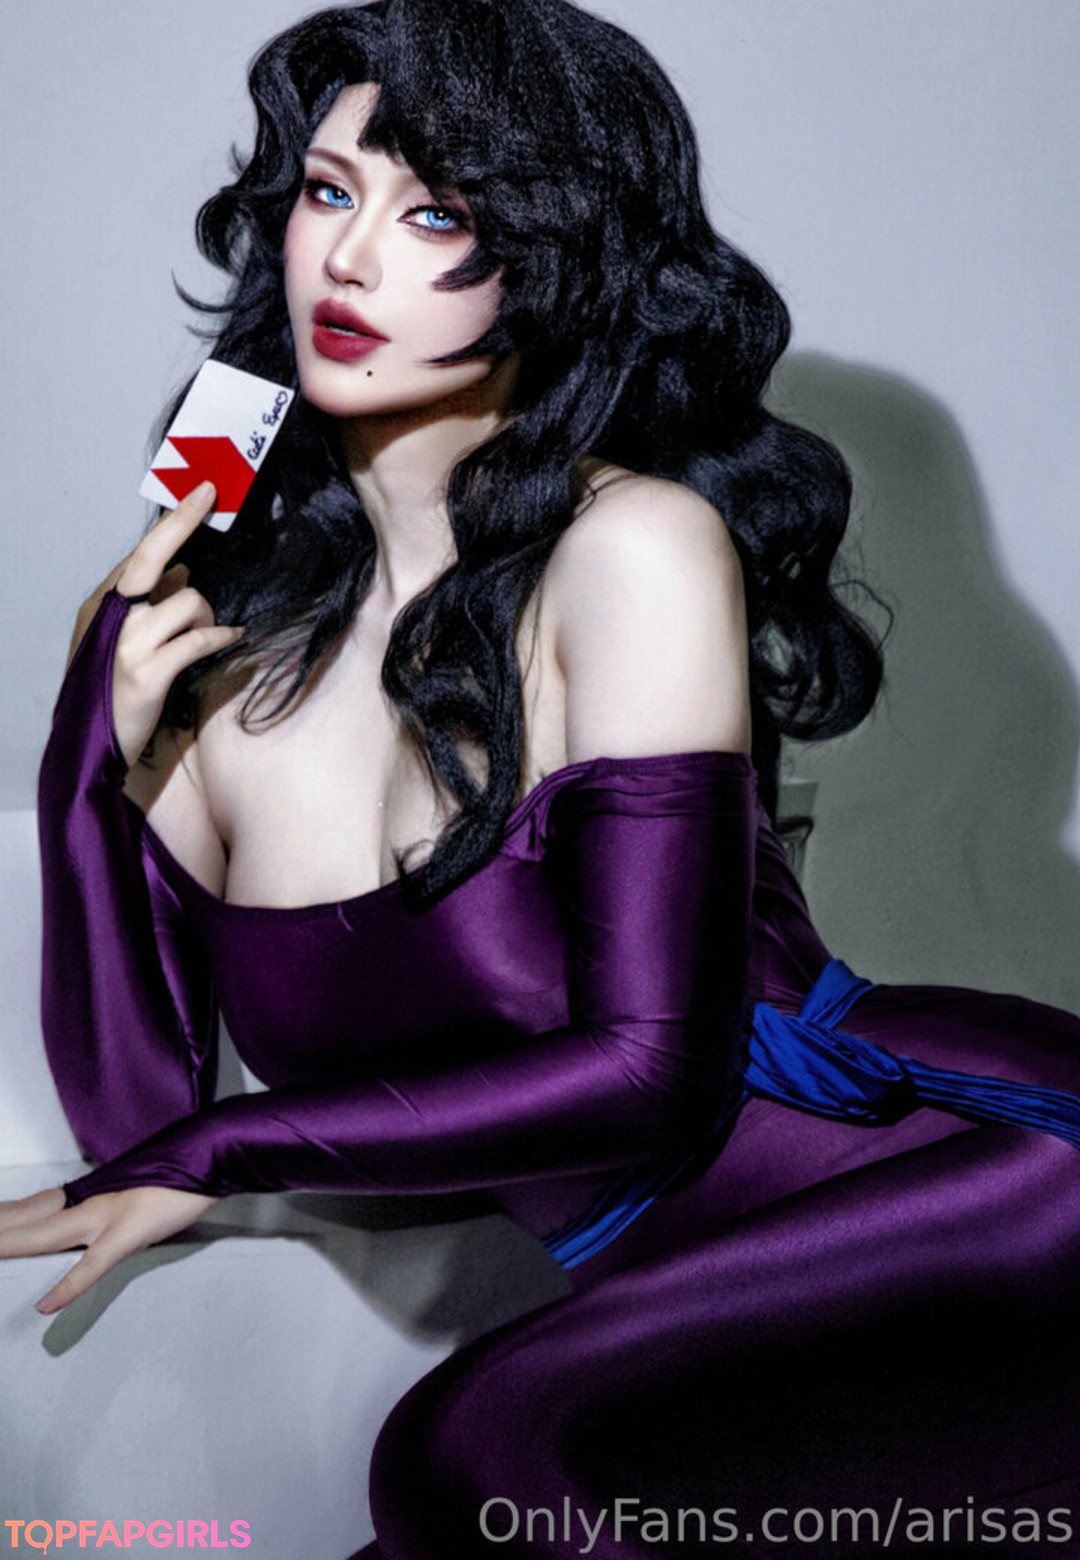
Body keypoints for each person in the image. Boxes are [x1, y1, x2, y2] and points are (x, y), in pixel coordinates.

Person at [4, 1, 1080, 1555]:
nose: (347, 258)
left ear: (552, 262)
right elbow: (138, 1126)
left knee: (479, 1452)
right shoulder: (219, 671)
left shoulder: (631, 549)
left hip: (991, 1176)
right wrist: (90, 749)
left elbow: (652, 1071)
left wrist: (228, 1149)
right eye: (327, 191)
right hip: (695, 1282)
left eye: (434, 214)